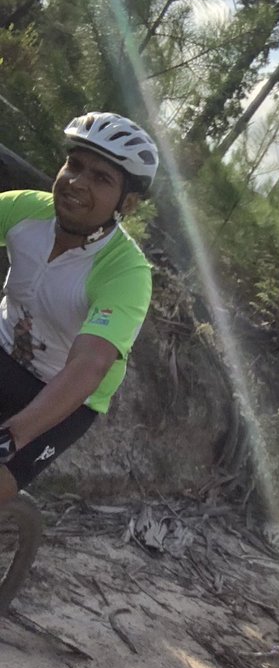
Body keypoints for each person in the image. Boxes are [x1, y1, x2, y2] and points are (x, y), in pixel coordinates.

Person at [0, 112, 157, 504]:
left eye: (101, 178)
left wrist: (12, 436)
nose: (77, 182)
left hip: (62, 396)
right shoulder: (25, 211)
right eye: (75, 165)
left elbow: (88, 365)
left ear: (129, 204)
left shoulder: (126, 272)